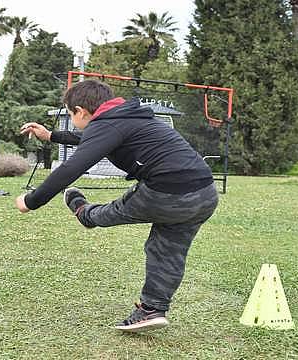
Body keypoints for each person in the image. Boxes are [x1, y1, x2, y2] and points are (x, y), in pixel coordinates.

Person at [15, 79, 219, 333]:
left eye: (69, 114)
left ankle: (83, 213)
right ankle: (152, 309)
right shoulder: (127, 115)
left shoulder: (109, 124)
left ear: (80, 111)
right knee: (167, 250)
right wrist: (52, 136)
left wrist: (31, 201)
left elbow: (72, 167)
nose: (71, 118)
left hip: (165, 193)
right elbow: (93, 138)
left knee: (113, 211)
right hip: (205, 192)